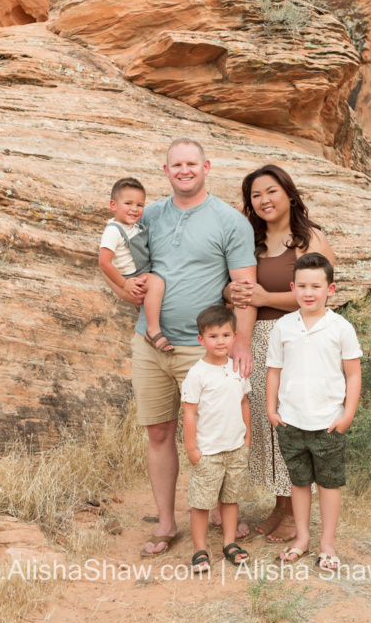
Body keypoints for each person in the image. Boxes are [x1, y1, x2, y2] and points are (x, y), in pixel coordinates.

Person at [101, 137, 257, 557]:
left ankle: (223, 516)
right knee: (159, 431)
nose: (184, 170)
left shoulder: (230, 221)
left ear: (207, 166)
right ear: (165, 170)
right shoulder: (146, 215)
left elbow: (244, 290)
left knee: (215, 436)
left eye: (192, 163)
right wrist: (124, 290)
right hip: (149, 342)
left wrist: (241, 341)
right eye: (176, 165)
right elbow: (118, 263)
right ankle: (167, 523)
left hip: (204, 350)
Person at [225, 164, 334, 544]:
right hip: (257, 338)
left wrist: (267, 298)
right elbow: (235, 286)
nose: (264, 200)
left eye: (271, 191)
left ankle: (294, 513)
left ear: (288, 194)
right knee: (268, 423)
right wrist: (231, 294)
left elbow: (319, 292)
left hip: (298, 340)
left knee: (293, 420)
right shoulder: (249, 242)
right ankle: (280, 505)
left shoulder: (309, 240)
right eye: (256, 195)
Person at [266, 252, 362, 571]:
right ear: (293, 287)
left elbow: (353, 374)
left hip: (328, 423)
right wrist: (272, 409)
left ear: (330, 290)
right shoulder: (282, 327)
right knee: (299, 483)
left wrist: (347, 414)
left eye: (316, 286)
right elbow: (274, 371)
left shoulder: (340, 328)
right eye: (303, 286)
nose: (309, 293)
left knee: (329, 484)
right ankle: (302, 539)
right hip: (291, 421)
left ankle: (327, 544)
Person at [182, 306, 252, 572]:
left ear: (234, 336)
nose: (220, 341)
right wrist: (192, 450)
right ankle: (200, 549)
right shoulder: (197, 374)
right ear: (201, 340)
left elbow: (244, 401)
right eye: (213, 336)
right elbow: (189, 413)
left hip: (235, 448)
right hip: (208, 451)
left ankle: (229, 543)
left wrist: (247, 437)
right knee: (201, 503)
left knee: (231, 499)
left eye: (225, 335)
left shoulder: (237, 369)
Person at [97, 177, 171, 352]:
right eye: (128, 203)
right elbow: (103, 262)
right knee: (156, 283)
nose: (134, 209)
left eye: (140, 205)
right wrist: (124, 284)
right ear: (113, 205)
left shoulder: (134, 226)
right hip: (132, 277)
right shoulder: (113, 231)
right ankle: (152, 330)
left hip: (141, 270)